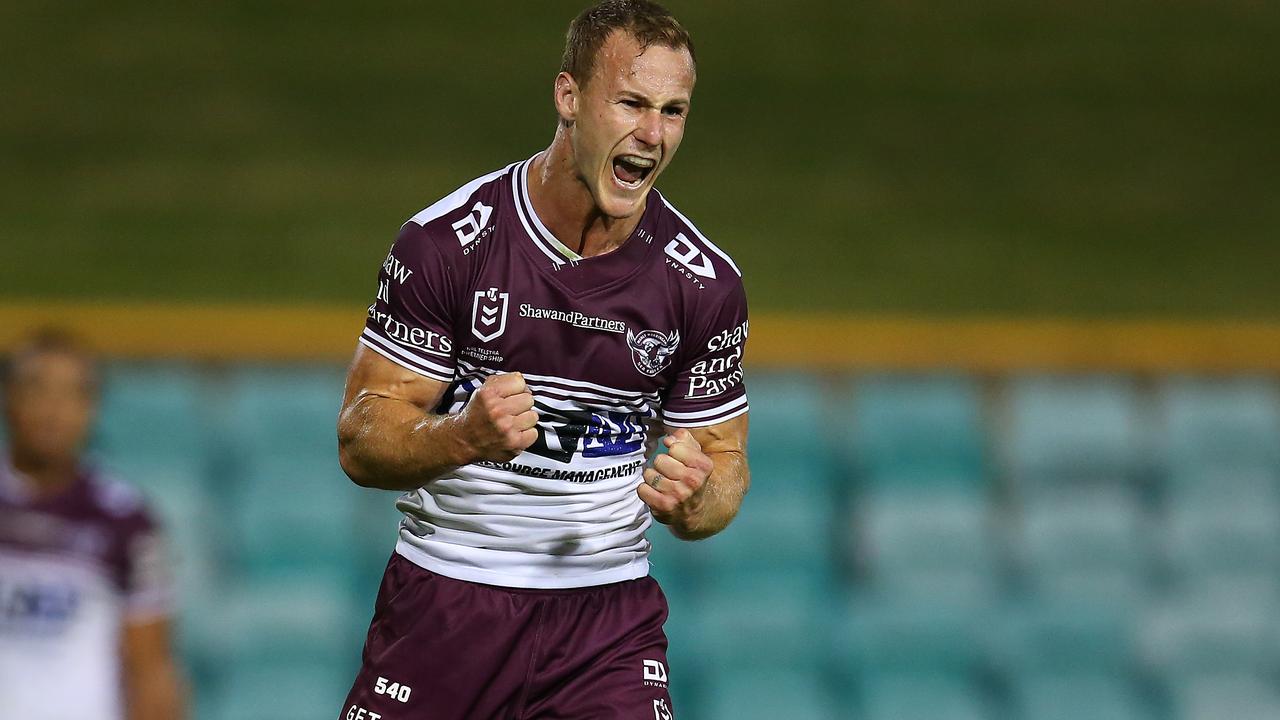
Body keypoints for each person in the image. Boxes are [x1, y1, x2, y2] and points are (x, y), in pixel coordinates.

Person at [336, 1, 749, 717]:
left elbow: (724, 465)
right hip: (447, 603)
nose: (652, 134)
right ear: (568, 97)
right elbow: (361, 441)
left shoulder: (704, 285)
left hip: (607, 622)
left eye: (673, 111)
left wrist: (697, 500)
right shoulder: (446, 246)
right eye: (631, 103)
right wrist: (464, 435)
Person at [0, 330, 186, 720]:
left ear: (93, 408)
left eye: (72, 394)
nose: (53, 410)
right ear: (8, 397)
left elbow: (150, 671)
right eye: (38, 389)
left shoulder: (126, 522)